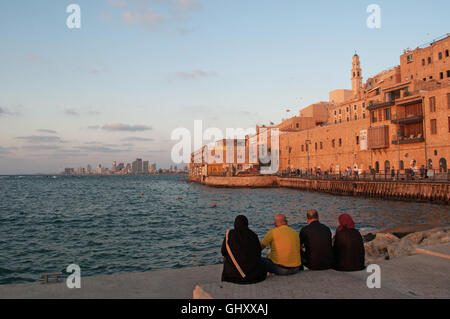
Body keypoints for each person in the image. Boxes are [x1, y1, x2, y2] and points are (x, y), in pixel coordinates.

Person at [221, 215, 267, 284]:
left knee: (226, 257)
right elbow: (258, 253)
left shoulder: (230, 235)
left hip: (233, 276)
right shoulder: (253, 235)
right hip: (254, 276)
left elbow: (223, 252)